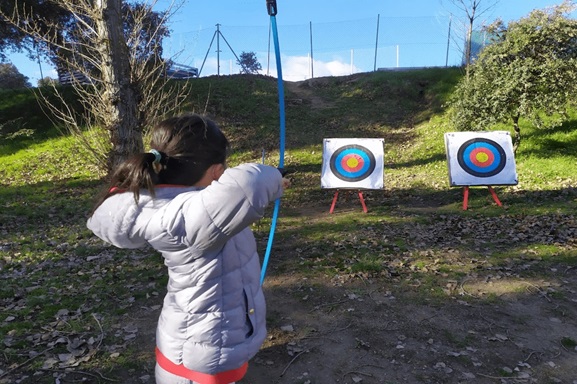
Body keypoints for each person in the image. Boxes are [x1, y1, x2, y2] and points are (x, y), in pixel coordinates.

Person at [87, 114, 289, 384]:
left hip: (199, 343)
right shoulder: (184, 218)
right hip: (199, 360)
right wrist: (275, 176)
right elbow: (250, 184)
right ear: (217, 171)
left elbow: (233, 194)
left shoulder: (173, 207)